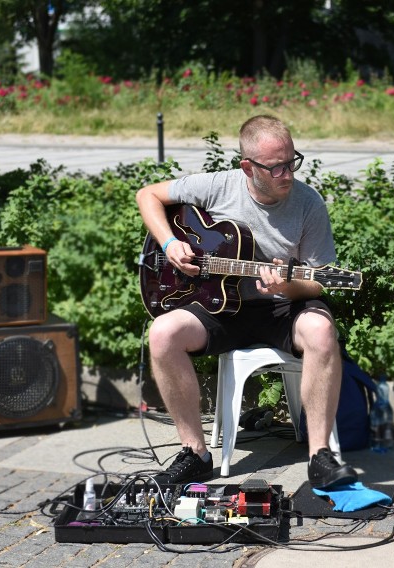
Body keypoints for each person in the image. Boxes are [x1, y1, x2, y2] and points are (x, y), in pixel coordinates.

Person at [136, 114, 358, 489]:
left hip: (282, 307)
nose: (287, 174)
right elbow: (147, 195)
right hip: (221, 306)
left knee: (321, 331)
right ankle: (195, 453)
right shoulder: (217, 187)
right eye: (276, 168)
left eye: (292, 162)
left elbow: (318, 282)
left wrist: (286, 286)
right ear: (247, 167)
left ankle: (320, 457)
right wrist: (171, 244)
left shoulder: (308, 204)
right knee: (162, 334)